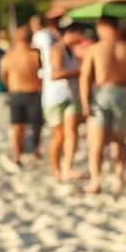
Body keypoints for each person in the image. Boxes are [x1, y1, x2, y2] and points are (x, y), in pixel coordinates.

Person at [80, 16, 126, 194]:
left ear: (104, 28)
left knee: (96, 142)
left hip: (102, 94)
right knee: (119, 141)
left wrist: (85, 102)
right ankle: (119, 177)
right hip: (123, 94)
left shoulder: (94, 49)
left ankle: (96, 181)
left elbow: (85, 77)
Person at [44, 23, 85, 182]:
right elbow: (55, 74)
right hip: (55, 98)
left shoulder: (71, 50)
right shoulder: (57, 49)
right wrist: (78, 71)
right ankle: (56, 170)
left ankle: (68, 168)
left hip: (70, 97)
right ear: (72, 33)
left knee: (72, 133)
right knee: (59, 136)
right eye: (81, 33)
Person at [0, 27, 43, 166]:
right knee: (35, 125)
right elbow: (42, 73)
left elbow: (3, 77)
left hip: (16, 93)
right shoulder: (35, 54)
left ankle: (16, 156)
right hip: (32, 92)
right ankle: (33, 151)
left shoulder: (8, 57)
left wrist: (11, 85)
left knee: (17, 127)